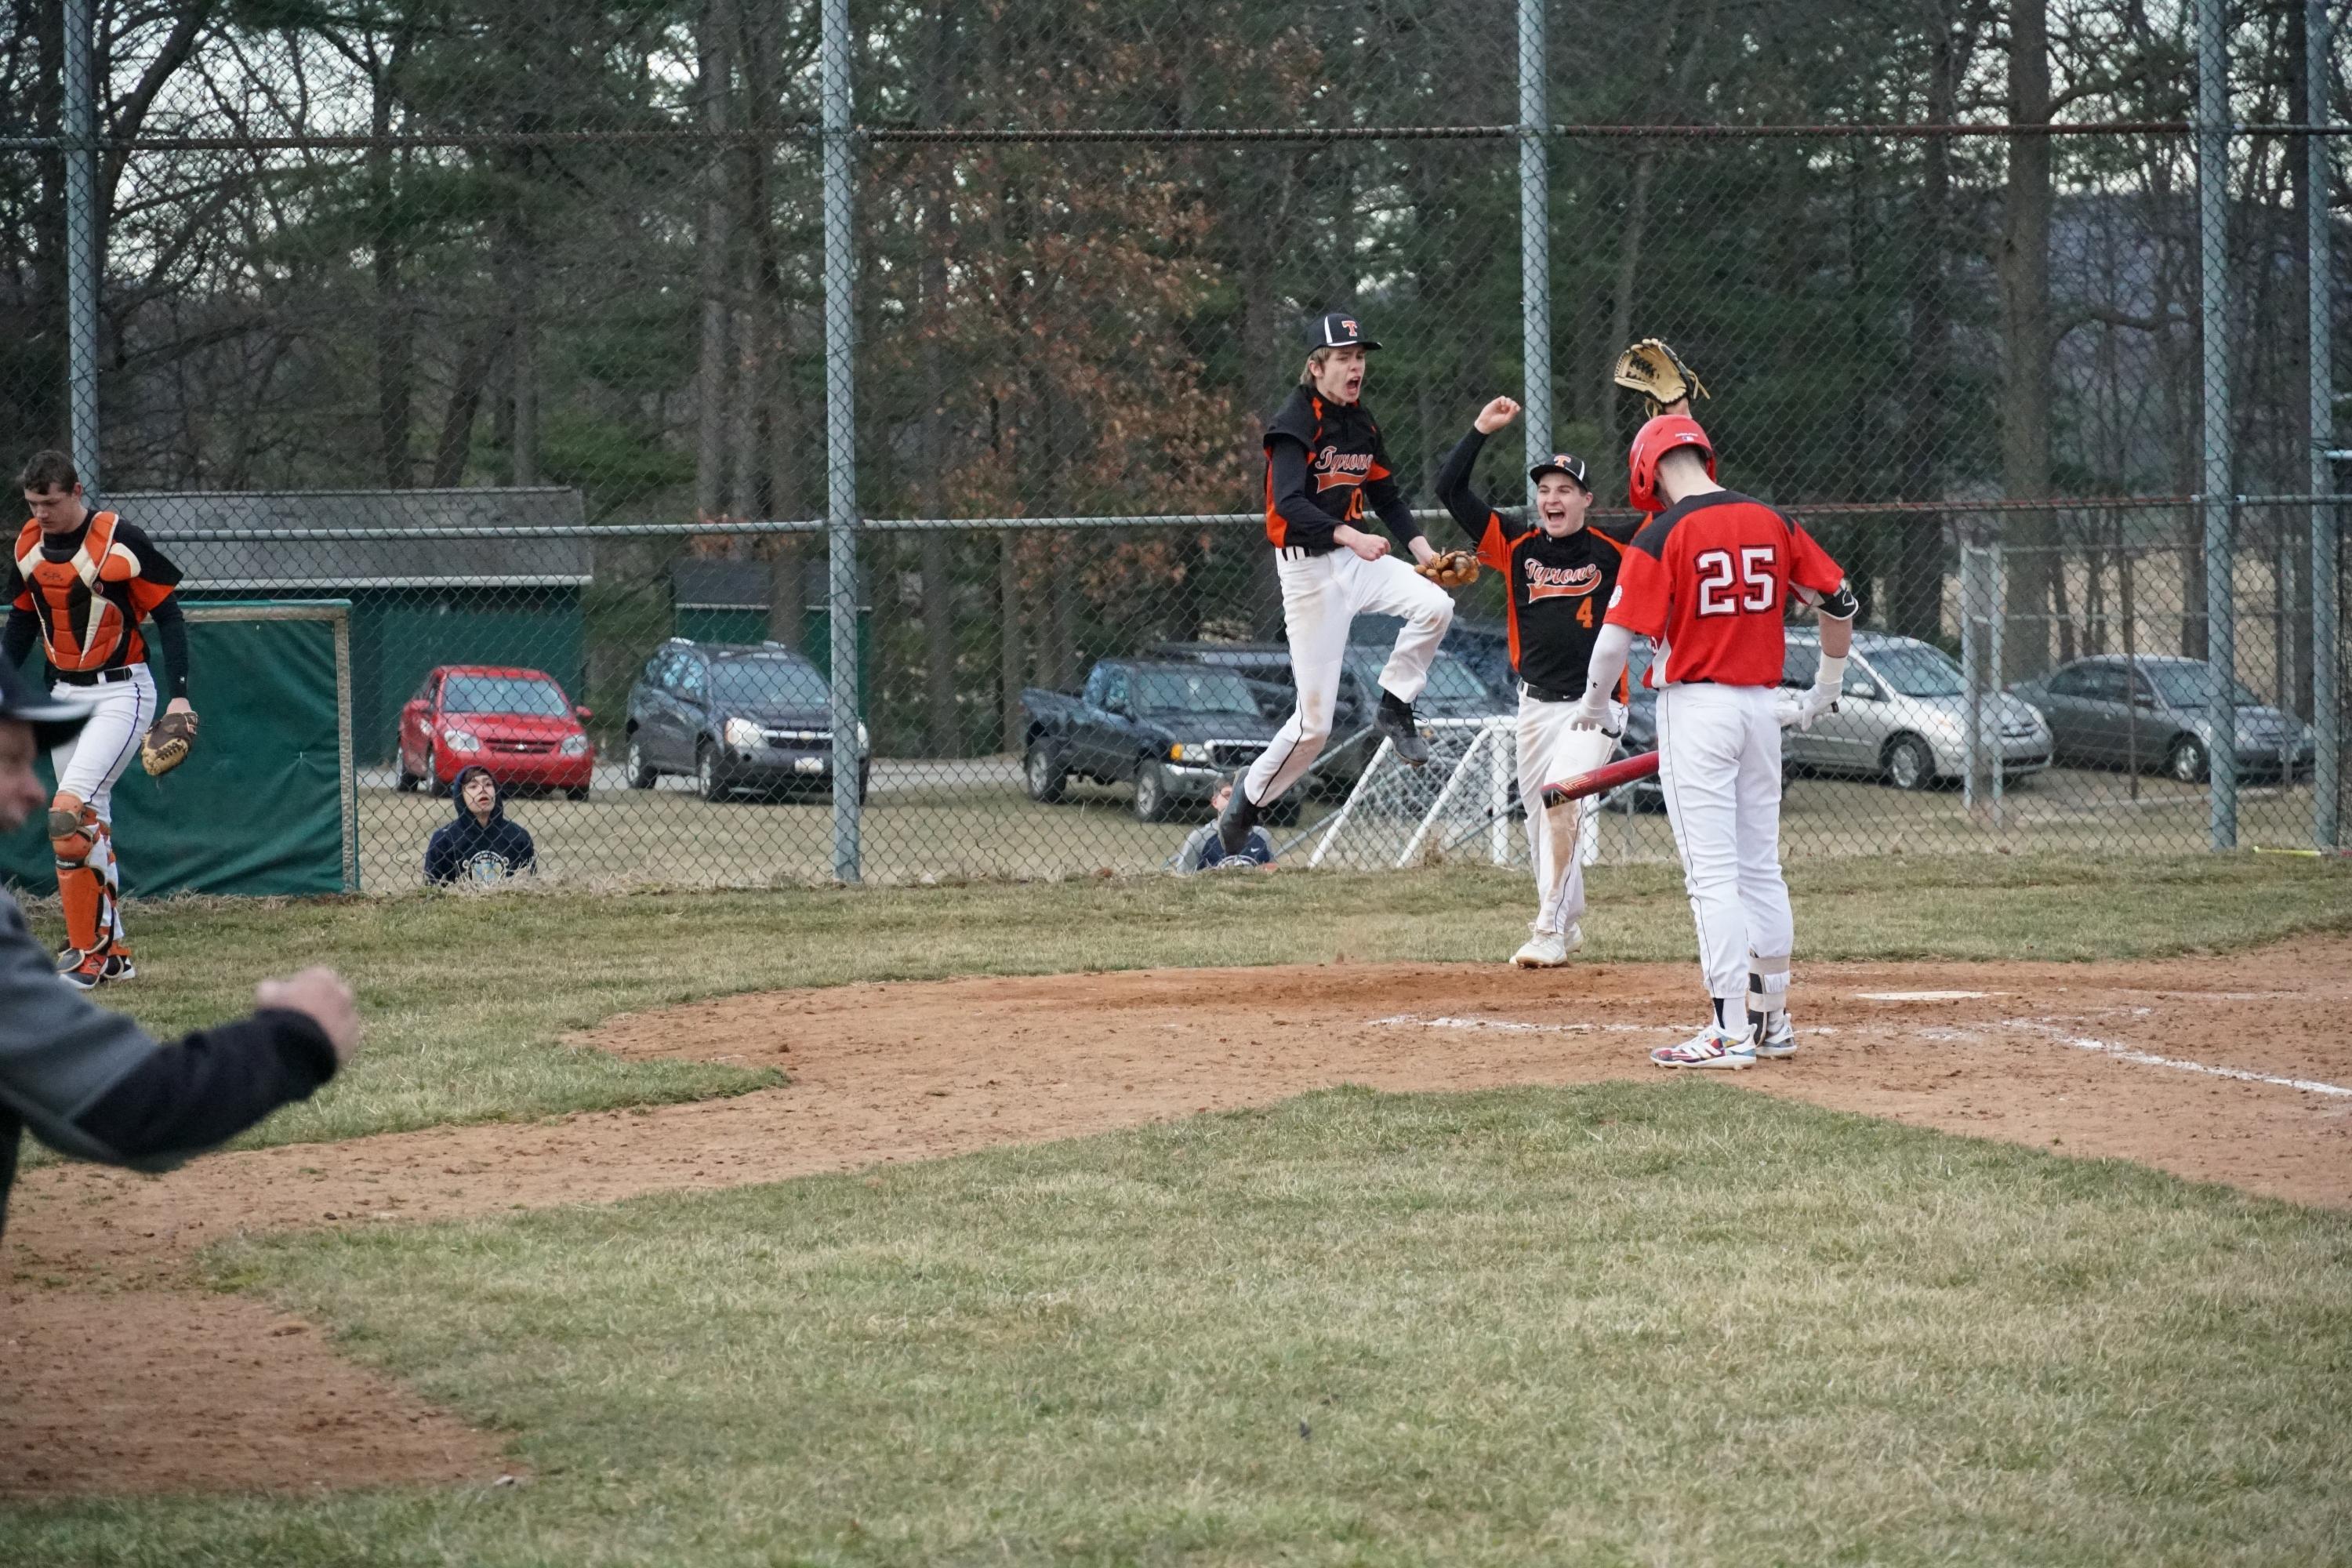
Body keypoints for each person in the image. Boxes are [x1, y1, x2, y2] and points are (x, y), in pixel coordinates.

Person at [0, 658, 360, 1241]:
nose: (31, 787)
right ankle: (95, 950)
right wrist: (297, 1036)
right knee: (72, 816)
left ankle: (105, 949)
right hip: (71, 677)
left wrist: (181, 695)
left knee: (80, 817)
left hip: (120, 687)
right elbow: (131, 1109)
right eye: (10, 759)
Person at [1570, 403, 1855, 1069]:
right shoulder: (1772, 520)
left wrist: (1594, 707)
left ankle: (1729, 1031)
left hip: (1696, 708)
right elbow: (1840, 603)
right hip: (1762, 709)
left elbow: (1612, 643)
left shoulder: (1661, 533)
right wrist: (1825, 693)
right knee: (1760, 868)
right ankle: (1773, 1022)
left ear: (1648, 472)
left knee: (1713, 876)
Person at [1218, 311, 1459, 856]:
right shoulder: (1295, 421)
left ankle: (1395, 706)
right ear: (1317, 366)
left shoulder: (1361, 422)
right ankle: (1246, 804)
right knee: (1314, 726)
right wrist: (1351, 536)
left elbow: (1388, 498)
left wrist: (1425, 553)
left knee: (1436, 605)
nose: (1356, 367)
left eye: (1361, 357)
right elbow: (1289, 503)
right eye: (1345, 358)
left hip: (1355, 560)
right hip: (1308, 573)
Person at [1435, 396, 1638, 967]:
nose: (1552, 498)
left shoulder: (1616, 548)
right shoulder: (1517, 546)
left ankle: (1546, 928)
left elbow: (1676, 505)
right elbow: (1450, 490)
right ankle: (1567, 921)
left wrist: (1672, 419)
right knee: (1540, 820)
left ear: (1586, 500)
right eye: (1545, 489)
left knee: (1559, 800)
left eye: (1565, 489)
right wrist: (1479, 429)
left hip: (1596, 707)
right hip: (1535, 707)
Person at [3, 450, 198, 990]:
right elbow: (21, 623)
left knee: (67, 816)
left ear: (77, 490)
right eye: (33, 503)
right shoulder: (27, 547)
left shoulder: (119, 539)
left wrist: (179, 698)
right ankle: (114, 955)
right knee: (89, 825)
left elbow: (170, 617)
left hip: (121, 693)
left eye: (51, 501)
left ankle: (86, 954)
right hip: (63, 693)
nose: (41, 513)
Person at [425, 764, 537, 886]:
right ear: (460, 796)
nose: (482, 789)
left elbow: (530, 884)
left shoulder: (518, 837)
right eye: (473, 786)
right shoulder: (444, 840)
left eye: (488, 784)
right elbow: (433, 888)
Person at [1177, 777, 1275, 873]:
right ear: (1215, 802)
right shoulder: (1200, 838)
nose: (1234, 800)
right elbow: (1183, 876)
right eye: (1227, 795)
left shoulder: (1261, 835)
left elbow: (1272, 873)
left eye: (1240, 795)